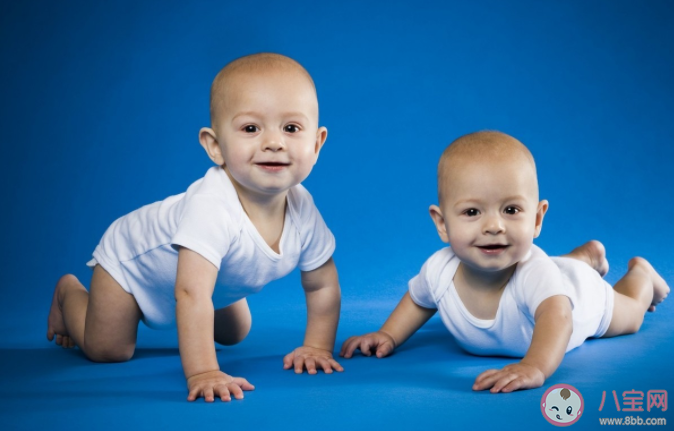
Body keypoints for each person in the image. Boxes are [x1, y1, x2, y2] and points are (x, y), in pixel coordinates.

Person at [47, 53, 343, 402]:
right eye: (251, 128)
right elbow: (190, 294)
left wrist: (316, 347)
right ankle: (69, 294)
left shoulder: (303, 208)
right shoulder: (211, 205)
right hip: (132, 267)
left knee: (236, 333)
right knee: (108, 349)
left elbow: (322, 285)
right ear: (215, 146)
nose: (274, 142)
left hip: (210, 281)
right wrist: (204, 371)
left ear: (317, 143)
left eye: (291, 128)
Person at [340, 131, 669, 393]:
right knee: (550, 268)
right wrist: (389, 334)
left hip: (579, 298)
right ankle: (582, 257)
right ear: (442, 224)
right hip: (554, 274)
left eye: (511, 210)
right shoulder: (438, 269)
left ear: (537, 219)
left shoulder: (536, 276)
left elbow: (558, 318)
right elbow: (418, 300)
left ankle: (640, 274)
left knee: (632, 316)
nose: (494, 226)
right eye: (472, 212)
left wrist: (535, 365)